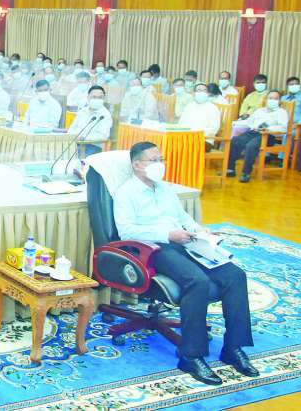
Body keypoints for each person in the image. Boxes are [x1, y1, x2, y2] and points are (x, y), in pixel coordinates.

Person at [114, 142, 257, 385]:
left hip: (186, 242)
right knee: (197, 281)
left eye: (161, 159)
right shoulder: (126, 193)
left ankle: (233, 348)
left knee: (235, 275)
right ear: (137, 165)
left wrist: (199, 231)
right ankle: (191, 355)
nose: (160, 164)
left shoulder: (164, 188)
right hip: (154, 248)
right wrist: (168, 234)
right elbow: (126, 231)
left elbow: (183, 217)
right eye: (154, 160)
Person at [227, 90, 289, 182]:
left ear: (279, 101)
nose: (272, 100)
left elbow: (284, 128)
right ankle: (230, 169)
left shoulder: (282, 112)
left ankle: (246, 173)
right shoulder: (260, 110)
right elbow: (249, 122)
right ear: (266, 99)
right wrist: (236, 122)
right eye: (270, 98)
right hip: (254, 132)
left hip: (267, 135)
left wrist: (268, 129)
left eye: (276, 99)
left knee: (251, 146)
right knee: (235, 141)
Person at [68, 85, 112, 155]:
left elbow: (103, 136)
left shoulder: (105, 115)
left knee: (77, 160)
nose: (97, 100)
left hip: (92, 146)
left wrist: (83, 138)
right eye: (94, 97)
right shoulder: (82, 111)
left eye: (100, 97)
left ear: (103, 99)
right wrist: (73, 136)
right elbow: (71, 128)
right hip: (74, 143)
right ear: (88, 98)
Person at [178, 83, 222, 148]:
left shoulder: (213, 108)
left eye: (204, 90)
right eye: (199, 90)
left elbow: (213, 129)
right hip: (187, 137)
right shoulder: (189, 106)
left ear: (208, 94)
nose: (201, 92)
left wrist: (195, 134)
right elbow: (181, 123)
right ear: (194, 93)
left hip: (204, 140)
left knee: (184, 145)